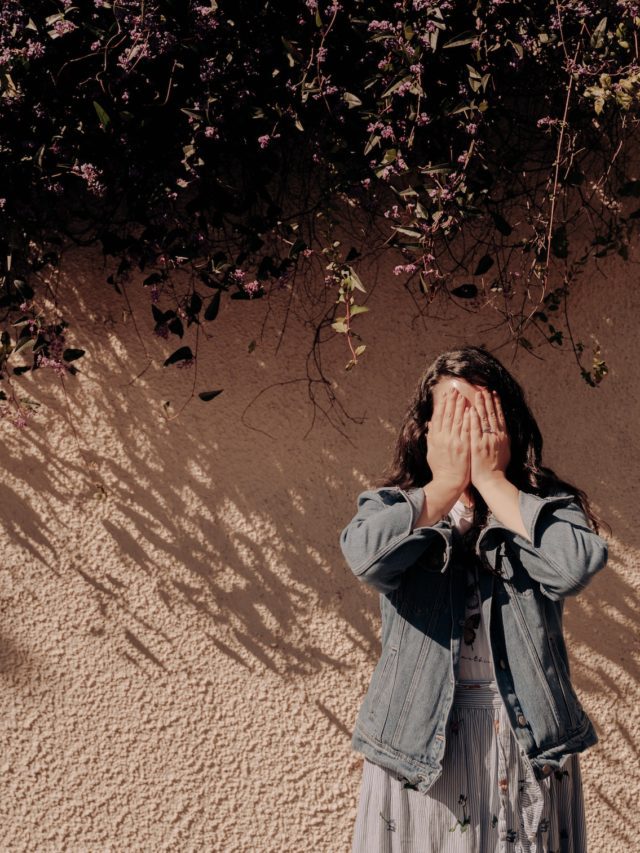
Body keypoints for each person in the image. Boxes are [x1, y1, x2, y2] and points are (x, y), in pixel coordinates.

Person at [339, 345, 610, 853]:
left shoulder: (542, 510)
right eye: (450, 412)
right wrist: (443, 486)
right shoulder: (395, 507)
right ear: (425, 428)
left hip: (523, 739)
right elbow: (368, 559)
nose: (466, 427)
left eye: (479, 412)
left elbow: (574, 566)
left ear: (505, 425)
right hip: (420, 744)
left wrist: (491, 481)